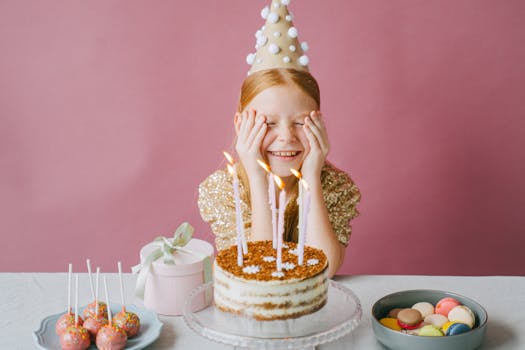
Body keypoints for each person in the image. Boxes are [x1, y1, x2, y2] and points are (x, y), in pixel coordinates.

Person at [198, 1, 360, 277]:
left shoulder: (335, 186)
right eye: (269, 123)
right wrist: (258, 177)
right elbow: (259, 270)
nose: (286, 137)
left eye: (300, 122)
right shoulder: (224, 189)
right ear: (241, 125)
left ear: (318, 123)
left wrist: (310, 176)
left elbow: (327, 268)